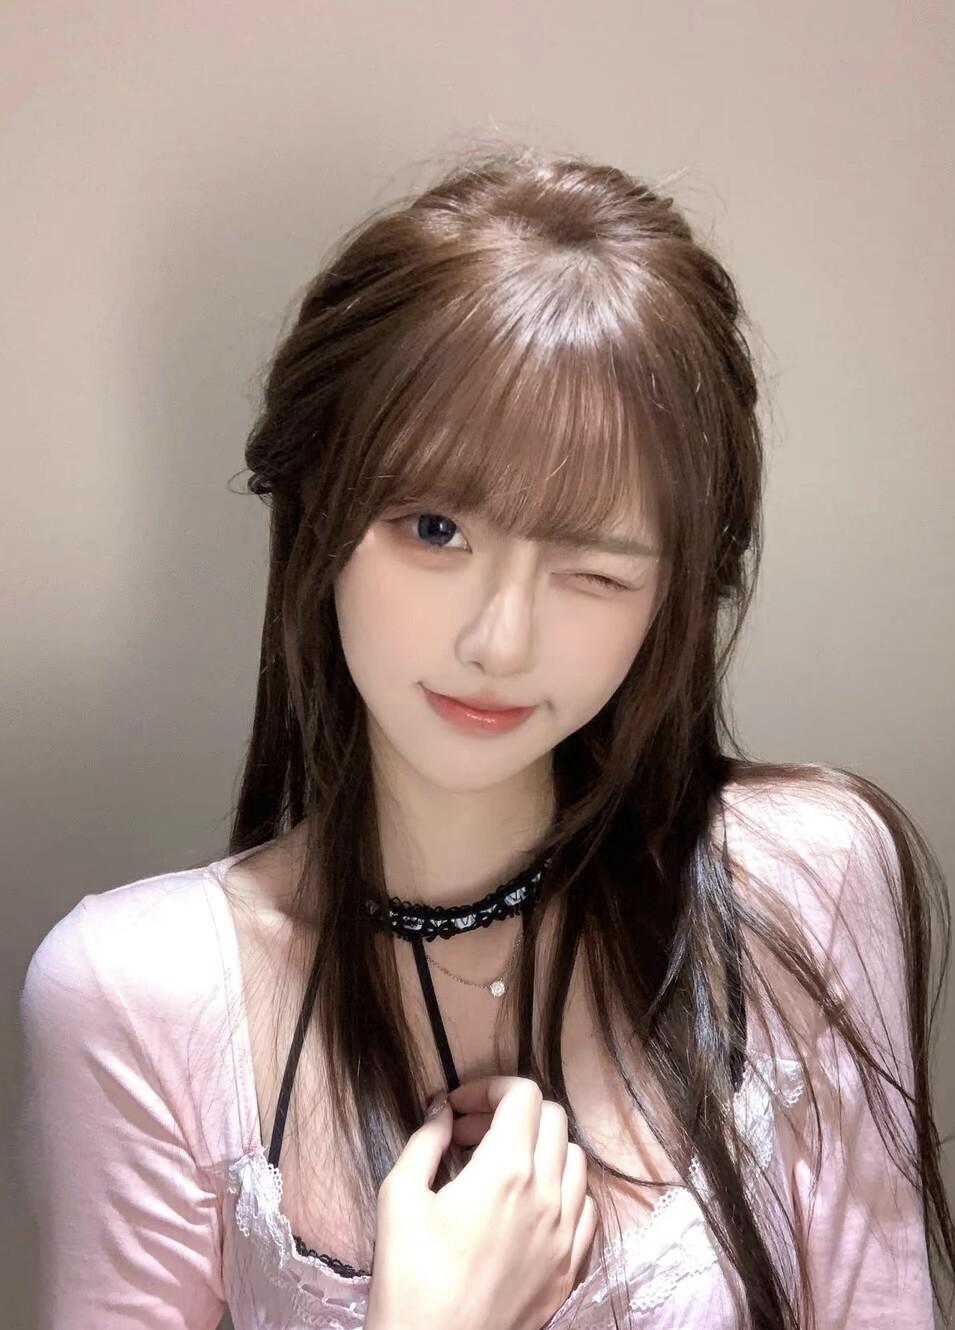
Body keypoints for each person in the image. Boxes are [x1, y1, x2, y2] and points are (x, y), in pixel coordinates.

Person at [17, 143, 955, 1330]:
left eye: (592, 567)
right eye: (433, 528)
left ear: (675, 593)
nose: (498, 641)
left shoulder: (803, 886)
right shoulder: (137, 995)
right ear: (319, 508)